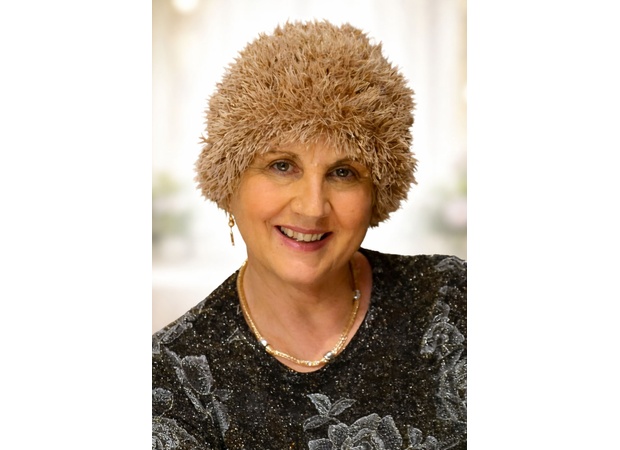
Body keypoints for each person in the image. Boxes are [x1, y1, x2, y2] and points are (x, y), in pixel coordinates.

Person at [152, 20, 466, 450]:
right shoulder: (169, 381)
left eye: (343, 172)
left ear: (377, 192)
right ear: (229, 182)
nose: (312, 206)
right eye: (282, 166)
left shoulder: (453, 300)